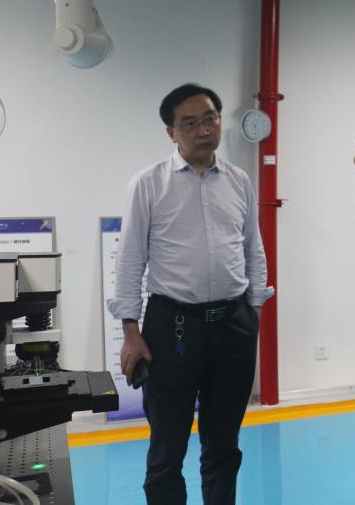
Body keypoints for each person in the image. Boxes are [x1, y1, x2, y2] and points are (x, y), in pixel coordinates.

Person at [109, 83, 269, 505]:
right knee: (167, 447)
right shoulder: (149, 183)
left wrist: (252, 313)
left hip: (233, 326)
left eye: (210, 118)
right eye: (190, 123)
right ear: (172, 132)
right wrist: (131, 332)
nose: (203, 130)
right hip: (171, 327)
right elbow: (130, 259)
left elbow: (253, 248)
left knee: (224, 444)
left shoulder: (239, 181)